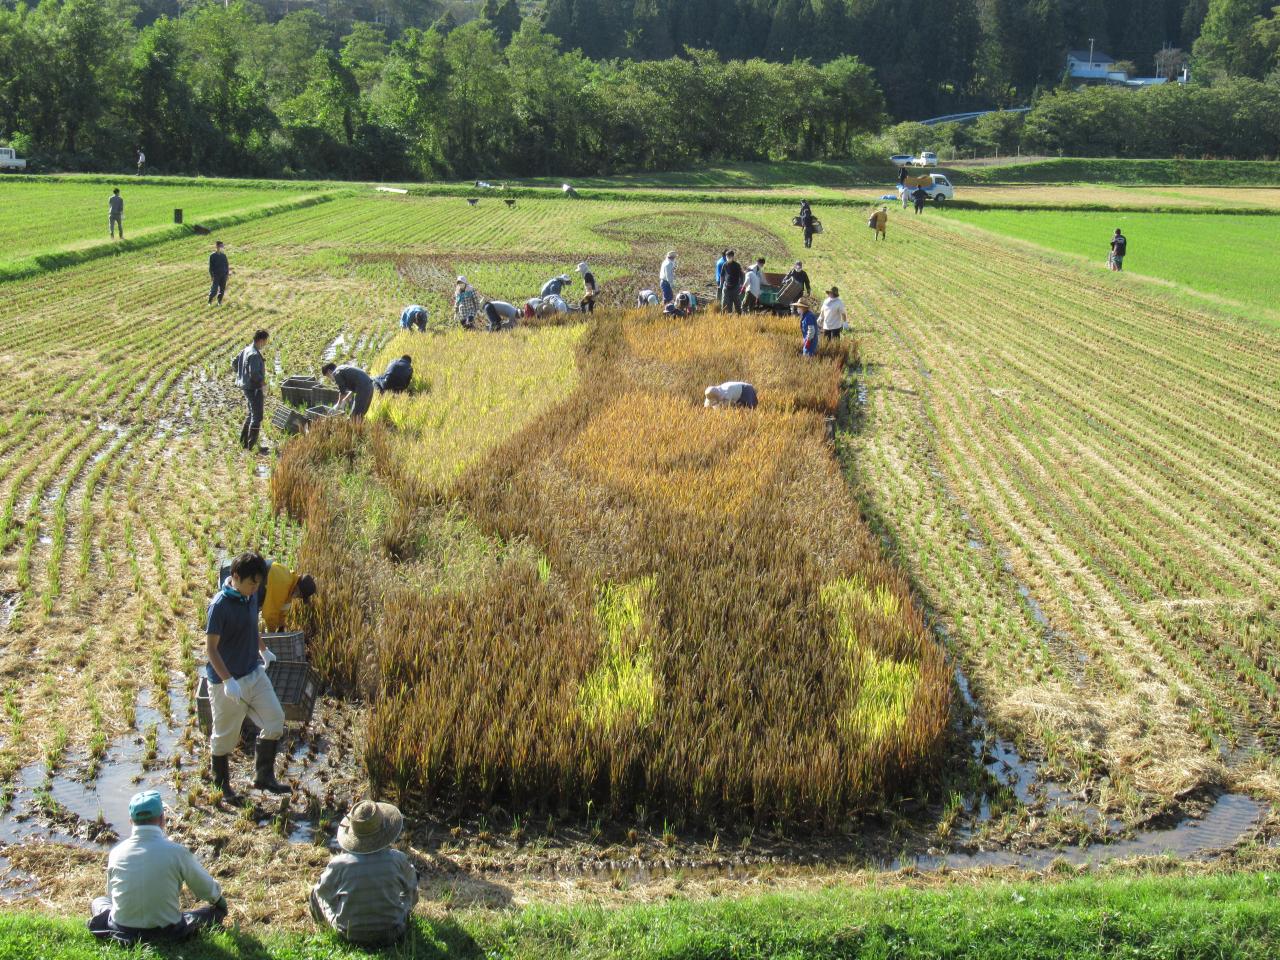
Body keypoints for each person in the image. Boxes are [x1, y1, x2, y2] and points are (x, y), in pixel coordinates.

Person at [88, 790, 228, 946]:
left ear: (130, 821)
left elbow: (111, 896)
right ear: (162, 818)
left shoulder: (116, 853)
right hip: (168, 932)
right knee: (210, 912)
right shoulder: (178, 852)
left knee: (98, 902)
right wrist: (219, 901)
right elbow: (206, 889)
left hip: (123, 930)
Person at [205, 552, 289, 802]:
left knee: (275, 721)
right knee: (225, 737)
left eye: (259, 583)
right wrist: (228, 680)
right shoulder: (219, 606)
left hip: (253, 673)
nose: (255, 589)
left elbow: (252, 626)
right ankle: (221, 784)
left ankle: (263, 777)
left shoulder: (250, 597)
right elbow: (210, 649)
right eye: (251, 583)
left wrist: (264, 651)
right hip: (227, 683)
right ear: (235, 577)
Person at [310, 800, 419, 946]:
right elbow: (412, 887)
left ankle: (324, 930)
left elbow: (323, 892)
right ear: (384, 829)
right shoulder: (397, 858)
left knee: (314, 893)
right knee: (411, 883)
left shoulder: (339, 864)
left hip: (349, 934)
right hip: (393, 932)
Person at [257, 559, 317, 632]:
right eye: (300, 596)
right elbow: (269, 615)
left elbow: (282, 609)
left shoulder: (291, 583)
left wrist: (281, 626)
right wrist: (272, 633)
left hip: (263, 580)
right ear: (298, 590)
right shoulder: (283, 585)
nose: (298, 598)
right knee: (250, 613)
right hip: (254, 578)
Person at [234, 329, 268, 452]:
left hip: (246, 386)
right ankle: (250, 446)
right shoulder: (253, 354)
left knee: (251, 414)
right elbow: (254, 373)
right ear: (261, 340)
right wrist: (262, 383)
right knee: (257, 416)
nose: (265, 343)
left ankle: (244, 442)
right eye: (265, 341)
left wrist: (242, 376)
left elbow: (234, 362)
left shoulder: (246, 349)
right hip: (254, 388)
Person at [208, 240, 230, 305]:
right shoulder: (212, 256)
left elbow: (227, 265)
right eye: (221, 246)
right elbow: (210, 267)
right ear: (217, 246)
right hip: (216, 275)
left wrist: (227, 274)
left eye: (222, 246)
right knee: (214, 290)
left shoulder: (224, 255)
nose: (222, 247)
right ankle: (210, 301)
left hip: (223, 275)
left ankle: (219, 302)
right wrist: (211, 276)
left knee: (222, 290)